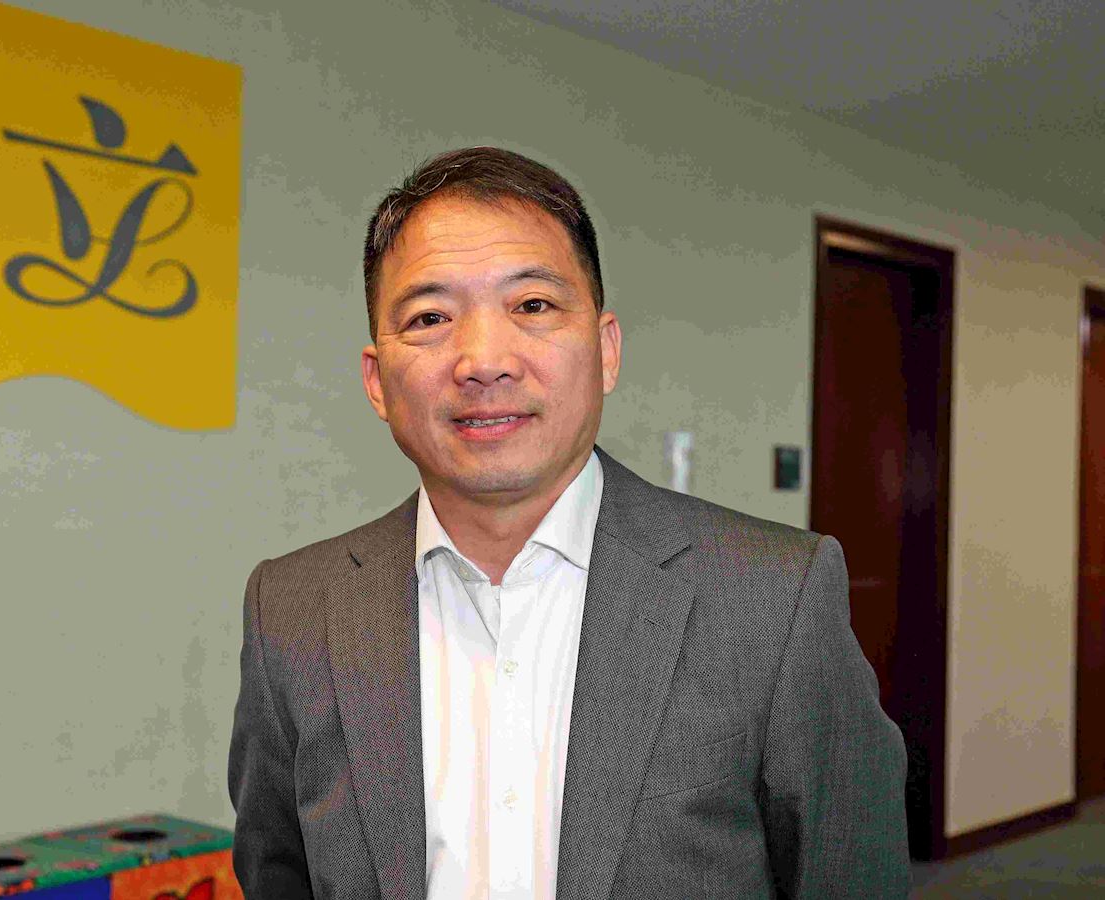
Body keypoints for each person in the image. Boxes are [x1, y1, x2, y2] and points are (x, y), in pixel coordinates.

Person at [228, 147, 909, 899]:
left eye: (532, 306)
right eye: (430, 317)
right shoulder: (291, 612)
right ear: (377, 381)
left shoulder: (774, 597)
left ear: (606, 350)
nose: (484, 360)